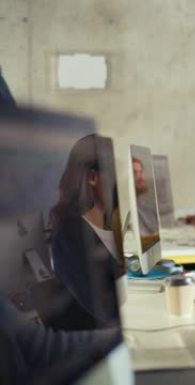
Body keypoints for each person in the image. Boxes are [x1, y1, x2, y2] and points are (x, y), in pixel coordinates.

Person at [50, 135, 122, 330]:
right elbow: (109, 310)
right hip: (106, 345)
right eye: (116, 172)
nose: (121, 181)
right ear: (92, 178)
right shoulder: (71, 236)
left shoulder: (112, 225)